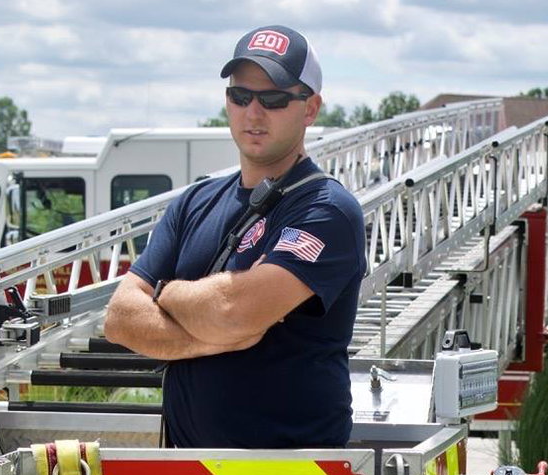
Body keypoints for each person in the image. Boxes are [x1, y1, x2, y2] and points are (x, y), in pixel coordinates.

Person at [105, 25, 367, 449]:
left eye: (275, 99)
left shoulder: (326, 210)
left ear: (311, 109)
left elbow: (234, 314)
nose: (253, 112)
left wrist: (166, 295)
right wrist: (209, 339)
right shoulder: (194, 202)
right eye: (240, 96)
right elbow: (119, 319)